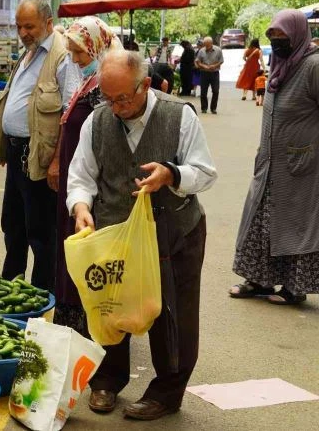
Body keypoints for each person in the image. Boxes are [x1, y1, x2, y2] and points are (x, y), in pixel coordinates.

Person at [68, 50, 217, 420]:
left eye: (123, 98)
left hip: (175, 232)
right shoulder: (97, 121)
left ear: (145, 85)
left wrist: (172, 174)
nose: (116, 107)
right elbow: (81, 176)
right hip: (116, 233)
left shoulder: (177, 115)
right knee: (110, 304)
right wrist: (81, 207)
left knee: (172, 314)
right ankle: (106, 380)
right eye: (108, 97)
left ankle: (167, 392)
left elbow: (205, 171)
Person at [0, 0, 75, 291]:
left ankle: (40, 294)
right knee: (13, 225)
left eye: (30, 26)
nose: (23, 33)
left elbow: (69, 113)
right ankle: (11, 284)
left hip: (40, 156)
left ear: (48, 24)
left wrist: (58, 161)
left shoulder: (61, 57)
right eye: (19, 26)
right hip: (16, 153)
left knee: (41, 232)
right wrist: (5, 145)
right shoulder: (29, 54)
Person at [230, 9, 319, 305]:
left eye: (282, 37)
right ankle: (259, 281)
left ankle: (294, 289)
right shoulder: (279, 62)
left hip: (300, 166)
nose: (277, 42)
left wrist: (310, 149)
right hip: (268, 162)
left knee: (294, 225)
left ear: (296, 35)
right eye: (273, 37)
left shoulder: (313, 66)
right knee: (259, 222)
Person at [48, 16, 120, 336]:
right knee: (72, 247)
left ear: (97, 46)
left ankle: (89, 323)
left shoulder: (104, 90)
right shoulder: (88, 83)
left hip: (92, 187)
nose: (75, 59)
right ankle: (71, 318)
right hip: (74, 181)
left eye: (80, 53)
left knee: (89, 253)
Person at [195, 36, 223, 114]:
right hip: (204, 73)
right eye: (205, 45)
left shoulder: (218, 50)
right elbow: (198, 61)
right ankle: (204, 108)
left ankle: (213, 108)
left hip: (215, 73)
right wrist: (203, 66)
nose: (206, 47)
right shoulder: (201, 51)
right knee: (203, 91)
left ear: (211, 44)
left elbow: (221, 61)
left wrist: (215, 66)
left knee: (216, 91)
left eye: (208, 45)